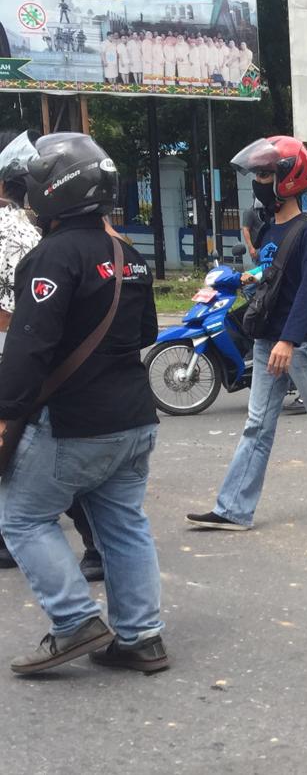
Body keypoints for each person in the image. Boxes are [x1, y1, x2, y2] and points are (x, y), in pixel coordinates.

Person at [0, 132, 167, 675]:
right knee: (123, 523)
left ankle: (73, 622)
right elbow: (144, 332)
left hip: (74, 423)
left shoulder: (52, 256)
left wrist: (4, 416)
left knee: (21, 518)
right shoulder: (129, 254)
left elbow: (28, 346)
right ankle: (142, 637)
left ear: (53, 190)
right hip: (135, 420)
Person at [186, 136, 307, 530]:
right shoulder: (268, 230)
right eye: (257, 173)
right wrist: (245, 278)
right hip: (267, 342)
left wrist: (288, 341)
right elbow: (269, 277)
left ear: (289, 178)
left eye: (265, 173)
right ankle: (233, 510)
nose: (258, 181)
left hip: (299, 345)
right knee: (256, 425)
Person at [0, 131, 105, 581]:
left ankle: (74, 611)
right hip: (50, 355)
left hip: (22, 349)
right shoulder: (34, 227)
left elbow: (16, 311)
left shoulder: (13, 230)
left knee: (32, 454)